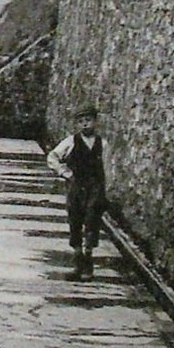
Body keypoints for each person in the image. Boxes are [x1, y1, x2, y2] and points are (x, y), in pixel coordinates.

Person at [46, 104, 108, 281]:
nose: (84, 125)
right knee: (75, 220)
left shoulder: (102, 144)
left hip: (95, 187)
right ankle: (78, 261)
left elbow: (108, 167)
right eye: (81, 122)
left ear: (95, 122)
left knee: (92, 220)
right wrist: (65, 173)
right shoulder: (71, 141)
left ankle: (88, 261)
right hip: (76, 186)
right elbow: (53, 157)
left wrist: (106, 188)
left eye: (88, 120)